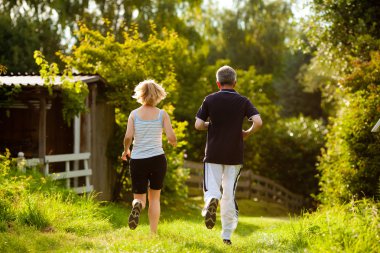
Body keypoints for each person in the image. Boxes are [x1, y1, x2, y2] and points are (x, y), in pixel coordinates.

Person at [195, 65, 262, 245]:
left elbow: (198, 125)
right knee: (229, 194)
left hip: (214, 153)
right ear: (235, 82)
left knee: (212, 188)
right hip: (234, 155)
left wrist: (211, 125)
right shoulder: (243, 101)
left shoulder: (209, 100)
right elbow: (258, 121)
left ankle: (211, 201)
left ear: (218, 83)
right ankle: (226, 236)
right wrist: (247, 132)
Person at [121, 79, 177, 234]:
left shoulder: (134, 114)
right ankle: (153, 233)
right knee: (155, 199)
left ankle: (137, 204)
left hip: (138, 160)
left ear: (140, 95)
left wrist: (126, 149)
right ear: (158, 95)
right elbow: (171, 137)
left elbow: (128, 137)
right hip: (157, 159)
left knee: (140, 197)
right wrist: (173, 142)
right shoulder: (162, 114)